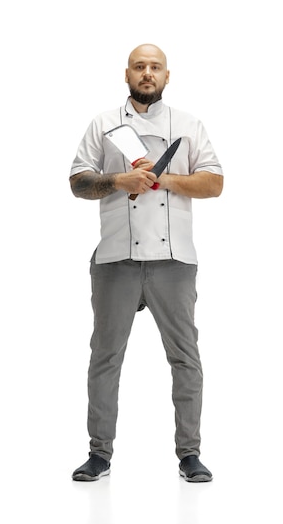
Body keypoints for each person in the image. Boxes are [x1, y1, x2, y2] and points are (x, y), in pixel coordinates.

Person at [69, 43, 223, 482]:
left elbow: (214, 183)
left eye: (155, 67)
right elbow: (79, 182)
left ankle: (189, 454)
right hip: (115, 258)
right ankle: (99, 454)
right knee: (105, 357)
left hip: (174, 261)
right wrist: (120, 179)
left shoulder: (188, 125)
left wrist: (162, 178)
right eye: (140, 67)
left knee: (185, 359)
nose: (147, 73)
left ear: (167, 76)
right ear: (127, 74)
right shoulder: (103, 124)